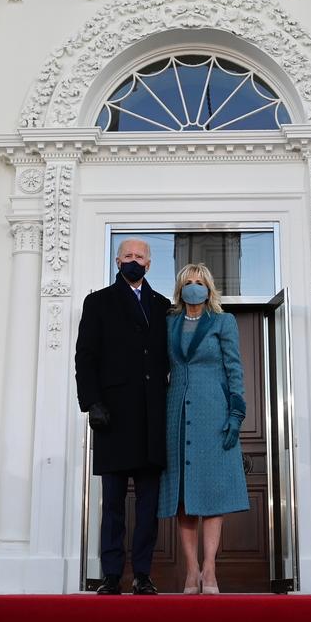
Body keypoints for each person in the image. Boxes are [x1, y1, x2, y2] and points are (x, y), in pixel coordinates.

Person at [74, 238, 170, 595]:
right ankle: (111, 574)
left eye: (139, 257)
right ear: (117, 261)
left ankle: (142, 574)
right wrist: (91, 403)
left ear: (149, 263)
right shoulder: (98, 301)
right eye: (127, 256)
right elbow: (86, 357)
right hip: (112, 418)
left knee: (149, 507)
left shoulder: (163, 305)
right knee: (112, 504)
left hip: (151, 419)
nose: (133, 260)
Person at [157, 263, 247, 595]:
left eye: (200, 282)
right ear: (180, 288)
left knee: (211, 494)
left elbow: (234, 367)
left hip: (213, 411)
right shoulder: (168, 324)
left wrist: (236, 413)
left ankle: (210, 569)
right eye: (188, 282)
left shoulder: (223, 322)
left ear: (209, 288)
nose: (194, 286)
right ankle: (190, 571)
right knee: (182, 497)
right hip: (176, 412)